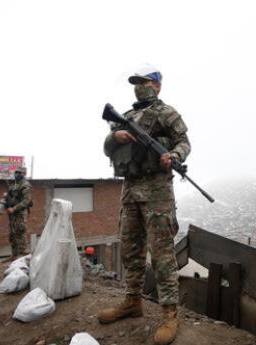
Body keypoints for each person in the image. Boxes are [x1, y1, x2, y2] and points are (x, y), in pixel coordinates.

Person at [99, 64, 190, 345]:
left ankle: (169, 312)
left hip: (158, 190)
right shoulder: (124, 117)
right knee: (130, 248)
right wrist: (114, 137)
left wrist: (173, 155)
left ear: (158, 85)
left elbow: (184, 142)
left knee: (161, 252)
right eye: (136, 81)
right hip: (130, 189)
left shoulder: (167, 113)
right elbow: (106, 148)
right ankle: (132, 301)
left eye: (145, 81)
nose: (140, 85)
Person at [5, 166, 32, 261]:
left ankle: (22, 256)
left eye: (20, 173)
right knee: (12, 235)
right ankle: (14, 255)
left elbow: (26, 201)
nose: (17, 174)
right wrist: (6, 199)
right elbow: (10, 198)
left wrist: (14, 208)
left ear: (24, 174)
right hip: (12, 214)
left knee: (20, 233)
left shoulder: (25, 185)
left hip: (20, 213)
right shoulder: (13, 186)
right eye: (16, 172)